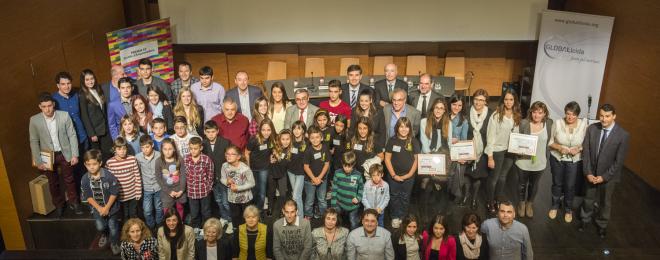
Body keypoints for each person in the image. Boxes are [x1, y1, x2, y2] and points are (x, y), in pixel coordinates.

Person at [579, 104, 629, 238]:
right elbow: (586, 153)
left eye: (607, 116)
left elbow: (618, 162)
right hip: (591, 173)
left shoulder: (623, 135)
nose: (604, 119)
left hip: (609, 177)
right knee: (588, 199)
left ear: (614, 116)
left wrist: (604, 177)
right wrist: (588, 172)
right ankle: (585, 220)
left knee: (605, 202)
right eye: (601, 116)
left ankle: (602, 225)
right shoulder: (592, 129)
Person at [29, 92, 81, 216]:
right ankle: (59, 205)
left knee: (70, 179)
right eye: (44, 106)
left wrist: (75, 154)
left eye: (49, 106)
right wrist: (38, 160)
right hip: (47, 156)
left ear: (53, 105)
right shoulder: (34, 120)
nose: (47, 109)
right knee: (53, 182)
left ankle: (74, 202)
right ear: (40, 107)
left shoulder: (64, 115)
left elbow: (72, 135)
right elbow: (33, 141)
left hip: (64, 153)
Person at [548, 101, 587, 223]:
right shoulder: (557, 123)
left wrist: (579, 149)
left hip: (574, 161)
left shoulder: (583, 125)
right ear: (565, 113)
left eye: (574, 114)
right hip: (557, 158)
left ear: (578, 115)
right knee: (557, 183)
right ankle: (554, 206)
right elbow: (550, 142)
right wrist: (560, 148)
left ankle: (568, 209)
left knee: (570, 186)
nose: (570, 117)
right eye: (568, 114)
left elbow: (586, 143)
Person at [484, 90, 521, 214]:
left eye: (511, 99)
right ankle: (490, 202)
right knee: (493, 179)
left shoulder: (517, 114)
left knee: (503, 177)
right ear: (502, 100)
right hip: (497, 150)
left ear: (515, 100)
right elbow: (490, 137)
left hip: (510, 151)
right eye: (506, 99)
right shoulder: (496, 115)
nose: (508, 102)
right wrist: (490, 156)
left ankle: (497, 200)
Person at [515, 101, 553, 218]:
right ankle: (521, 204)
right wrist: (517, 148)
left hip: (540, 162)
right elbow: (514, 139)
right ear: (530, 112)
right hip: (523, 161)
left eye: (540, 112)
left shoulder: (549, 123)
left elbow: (553, 140)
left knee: (534, 184)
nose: (536, 115)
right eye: (534, 112)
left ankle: (529, 204)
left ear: (545, 114)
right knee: (522, 184)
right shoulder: (523, 123)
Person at [80, 149, 121, 255]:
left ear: (100, 163)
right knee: (100, 226)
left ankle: (114, 242)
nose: (91, 167)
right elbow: (88, 196)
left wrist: (107, 208)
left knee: (113, 227)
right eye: (88, 164)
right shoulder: (85, 179)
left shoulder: (108, 176)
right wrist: (99, 208)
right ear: (85, 164)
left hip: (111, 208)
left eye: (94, 164)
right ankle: (104, 234)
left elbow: (114, 193)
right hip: (97, 208)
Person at [385, 117, 420, 229]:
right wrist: (394, 175)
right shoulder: (392, 140)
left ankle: (402, 217)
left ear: (410, 128)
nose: (404, 129)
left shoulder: (414, 141)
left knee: (405, 197)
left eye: (406, 126)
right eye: (401, 126)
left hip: (409, 177)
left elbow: (417, 159)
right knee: (394, 196)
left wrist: (409, 175)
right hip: (393, 176)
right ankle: (395, 216)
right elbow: (387, 159)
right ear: (397, 128)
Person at [418, 98, 451, 213]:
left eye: (441, 108)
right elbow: (424, 143)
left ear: (444, 110)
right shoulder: (424, 121)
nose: (438, 110)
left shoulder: (448, 123)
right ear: (433, 108)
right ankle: (424, 211)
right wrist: (432, 164)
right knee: (425, 184)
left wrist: (444, 162)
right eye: (437, 107)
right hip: (428, 157)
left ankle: (437, 212)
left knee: (439, 186)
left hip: (442, 157)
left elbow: (449, 143)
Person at [202, 120, 233, 232]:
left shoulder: (225, 142)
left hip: (224, 177)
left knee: (226, 201)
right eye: (208, 132)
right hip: (211, 179)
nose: (211, 134)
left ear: (217, 131)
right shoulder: (203, 144)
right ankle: (224, 217)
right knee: (218, 200)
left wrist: (230, 176)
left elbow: (230, 160)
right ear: (204, 132)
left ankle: (230, 220)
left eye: (213, 131)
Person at [465, 89, 494, 210]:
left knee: (477, 176)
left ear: (486, 102)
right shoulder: (466, 111)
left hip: (482, 151)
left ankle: (474, 198)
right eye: (476, 99)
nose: (478, 102)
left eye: (481, 100)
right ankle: (466, 195)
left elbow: (492, 136)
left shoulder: (491, 113)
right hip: (467, 149)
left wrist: (490, 156)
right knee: (467, 174)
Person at [79, 69, 113, 160]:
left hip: (105, 128)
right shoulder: (82, 95)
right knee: (99, 156)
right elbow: (84, 116)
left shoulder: (98, 89)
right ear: (83, 81)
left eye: (92, 78)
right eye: (87, 79)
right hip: (95, 132)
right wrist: (92, 134)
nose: (90, 81)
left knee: (109, 153)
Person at [106, 137, 142, 220]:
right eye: (119, 149)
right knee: (124, 216)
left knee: (133, 214)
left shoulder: (132, 159)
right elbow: (109, 181)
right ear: (114, 149)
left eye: (124, 149)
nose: (122, 151)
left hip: (133, 194)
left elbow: (137, 176)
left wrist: (138, 192)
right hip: (120, 196)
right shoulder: (110, 163)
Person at [52, 72, 88, 153]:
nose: (67, 86)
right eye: (63, 84)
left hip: (82, 136)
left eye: (68, 83)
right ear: (58, 85)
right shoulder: (53, 100)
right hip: (68, 141)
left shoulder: (76, 94)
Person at [245, 119, 276, 211]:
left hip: (264, 169)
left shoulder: (272, 139)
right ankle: (252, 210)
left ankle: (259, 211)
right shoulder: (254, 139)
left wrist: (272, 156)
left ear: (272, 130)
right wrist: (248, 167)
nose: (266, 133)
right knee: (254, 191)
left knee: (262, 192)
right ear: (260, 130)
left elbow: (273, 150)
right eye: (263, 130)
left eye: (268, 130)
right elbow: (247, 153)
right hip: (253, 168)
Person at [221, 145, 256, 227]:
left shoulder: (245, 168)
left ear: (238, 157)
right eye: (227, 154)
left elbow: (252, 183)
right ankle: (237, 233)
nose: (229, 156)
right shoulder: (224, 166)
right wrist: (227, 182)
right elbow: (222, 178)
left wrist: (238, 188)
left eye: (232, 154)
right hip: (232, 198)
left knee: (246, 218)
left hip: (245, 199)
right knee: (235, 218)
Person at [184, 136, 215, 229]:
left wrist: (209, 187)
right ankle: (196, 229)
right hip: (191, 192)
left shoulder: (206, 160)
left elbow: (210, 175)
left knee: (206, 212)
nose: (193, 151)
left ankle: (207, 229)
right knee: (194, 213)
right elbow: (184, 174)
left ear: (201, 148)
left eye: (195, 148)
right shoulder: (186, 159)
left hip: (204, 191)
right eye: (191, 149)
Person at [156, 138, 187, 221]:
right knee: (167, 211)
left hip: (179, 189)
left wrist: (181, 190)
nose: (167, 151)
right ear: (161, 150)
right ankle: (168, 225)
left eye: (170, 149)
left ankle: (180, 223)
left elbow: (183, 175)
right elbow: (159, 178)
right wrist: (169, 191)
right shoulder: (158, 161)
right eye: (165, 149)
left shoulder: (179, 159)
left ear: (174, 149)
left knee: (180, 208)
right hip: (167, 191)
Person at [303, 126, 331, 219]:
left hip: (322, 179)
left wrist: (319, 177)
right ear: (309, 139)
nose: (315, 140)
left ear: (322, 138)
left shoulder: (326, 148)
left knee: (322, 199)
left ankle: (324, 216)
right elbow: (306, 167)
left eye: (317, 137)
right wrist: (314, 179)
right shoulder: (308, 151)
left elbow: (327, 164)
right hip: (309, 180)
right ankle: (308, 215)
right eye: (312, 138)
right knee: (309, 200)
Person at [331, 151, 364, 229]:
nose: (346, 168)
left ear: (353, 164)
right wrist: (333, 204)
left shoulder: (358, 175)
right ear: (342, 163)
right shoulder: (337, 173)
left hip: (353, 206)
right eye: (344, 166)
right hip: (339, 203)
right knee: (337, 220)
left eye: (349, 166)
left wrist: (358, 198)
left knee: (353, 222)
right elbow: (334, 189)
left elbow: (361, 188)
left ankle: (353, 236)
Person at [135, 135, 163, 229]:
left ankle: (159, 224)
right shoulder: (138, 157)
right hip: (146, 188)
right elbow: (137, 172)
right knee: (147, 210)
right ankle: (151, 226)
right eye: (142, 148)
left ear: (152, 145)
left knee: (159, 208)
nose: (145, 150)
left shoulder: (159, 155)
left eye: (147, 147)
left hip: (158, 187)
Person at [448, 95, 470, 206]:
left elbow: (464, 141)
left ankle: (457, 197)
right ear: (450, 104)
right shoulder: (444, 116)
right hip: (445, 152)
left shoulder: (464, 121)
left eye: (459, 105)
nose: (456, 107)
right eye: (454, 104)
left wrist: (463, 156)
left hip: (457, 153)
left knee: (456, 177)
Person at [267, 129, 292, 217]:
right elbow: (268, 158)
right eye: (283, 139)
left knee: (283, 194)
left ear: (290, 139)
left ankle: (282, 210)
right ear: (279, 139)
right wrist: (271, 159)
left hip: (282, 175)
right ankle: (270, 208)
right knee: (271, 192)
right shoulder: (274, 149)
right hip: (272, 174)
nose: (285, 142)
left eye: (287, 139)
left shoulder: (290, 151)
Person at [288, 121, 308, 218]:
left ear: (303, 130)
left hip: (301, 172)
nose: (296, 131)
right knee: (296, 195)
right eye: (294, 128)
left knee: (296, 196)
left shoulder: (307, 142)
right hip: (291, 171)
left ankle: (300, 218)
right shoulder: (290, 141)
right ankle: (299, 216)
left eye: (299, 128)